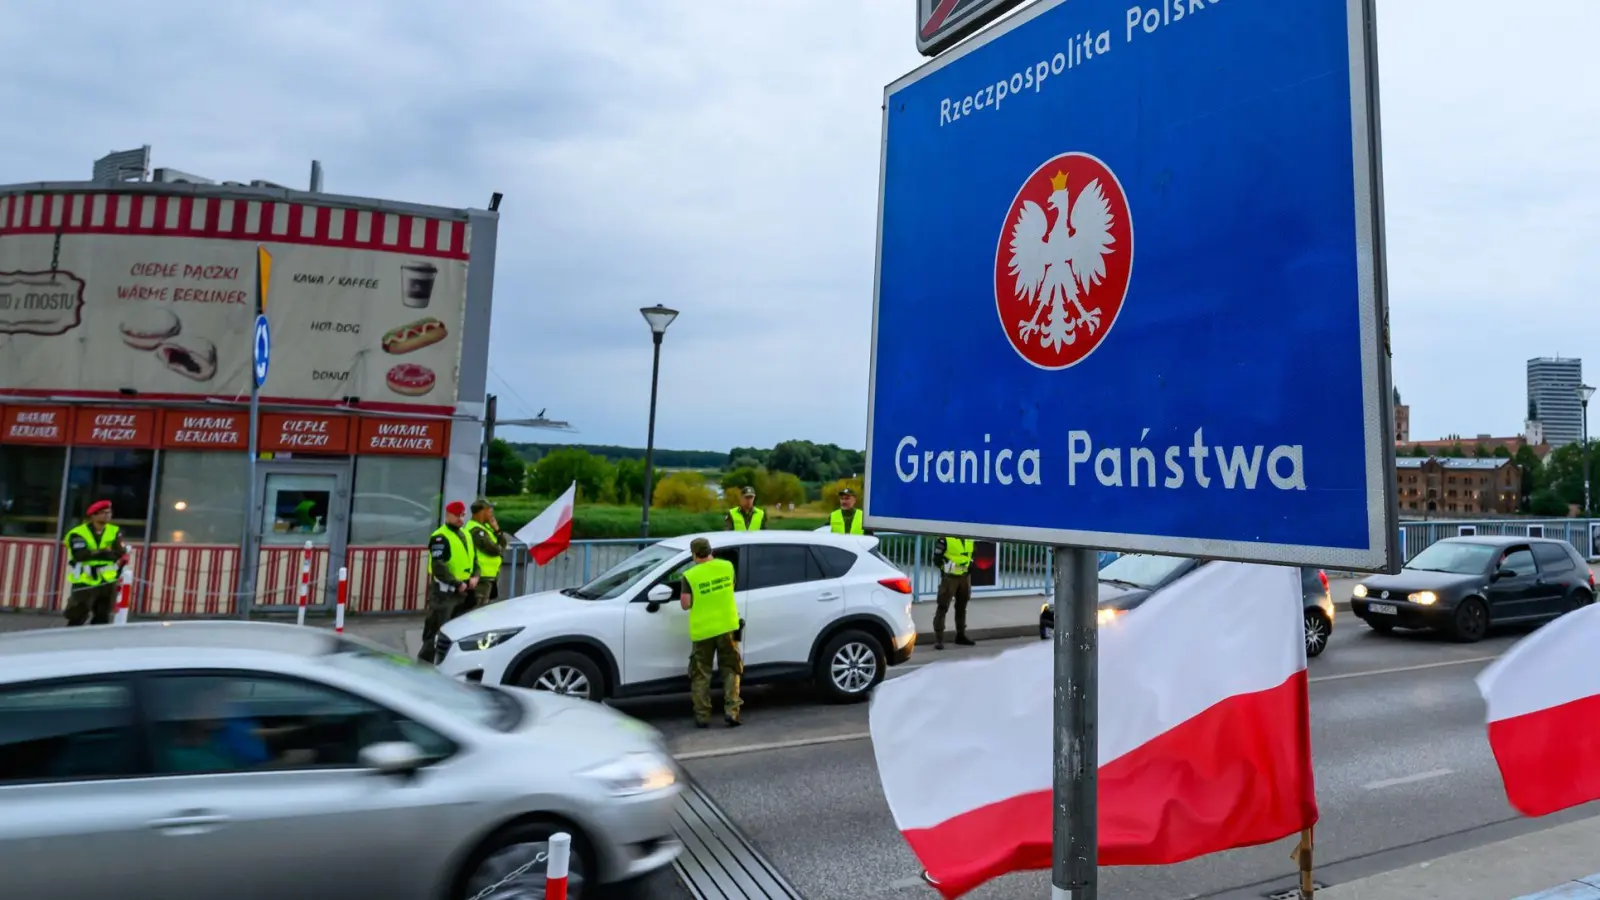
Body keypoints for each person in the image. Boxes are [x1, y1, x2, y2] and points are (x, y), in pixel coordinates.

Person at [680, 537, 743, 728]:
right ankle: (732, 712)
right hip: (727, 627)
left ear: (694, 554)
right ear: (710, 551)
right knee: (731, 669)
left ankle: (702, 716)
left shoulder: (689, 575)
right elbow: (731, 587)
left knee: (701, 674)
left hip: (703, 631)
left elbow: (685, 604)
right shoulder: (727, 566)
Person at [418, 501, 479, 663]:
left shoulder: (465, 534)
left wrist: (475, 576)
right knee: (437, 631)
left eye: (463, 515)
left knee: (459, 632)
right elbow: (438, 566)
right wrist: (456, 583)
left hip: (465, 591)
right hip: (445, 593)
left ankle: (449, 665)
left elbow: (474, 559)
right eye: (457, 515)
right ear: (448, 515)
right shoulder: (440, 537)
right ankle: (423, 666)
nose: (460, 519)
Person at [62, 500, 127, 627]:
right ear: (93, 516)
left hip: (107, 580)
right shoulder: (78, 533)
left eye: (109, 512)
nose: (107, 515)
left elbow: (119, 552)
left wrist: (96, 552)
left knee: (103, 617)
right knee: (77, 615)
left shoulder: (113, 530)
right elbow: (81, 555)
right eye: (103, 513)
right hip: (85, 579)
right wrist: (105, 551)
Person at [931, 535, 976, 650]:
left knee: (962, 607)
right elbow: (936, 558)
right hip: (949, 578)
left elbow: (972, 554)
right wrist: (945, 569)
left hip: (965, 577)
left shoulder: (970, 537)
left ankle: (960, 635)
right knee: (942, 607)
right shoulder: (945, 539)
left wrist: (970, 565)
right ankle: (939, 639)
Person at [465, 499, 507, 607]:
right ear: (481, 511)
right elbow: (495, 550)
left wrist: (497, 529)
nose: (491, 512)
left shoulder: (487, 527)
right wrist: (500, 548)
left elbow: (503, 543)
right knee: (478, 610)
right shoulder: (475, 530)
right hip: (481, 577)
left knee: (484, 608)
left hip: (489, 576)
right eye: (489, 509)